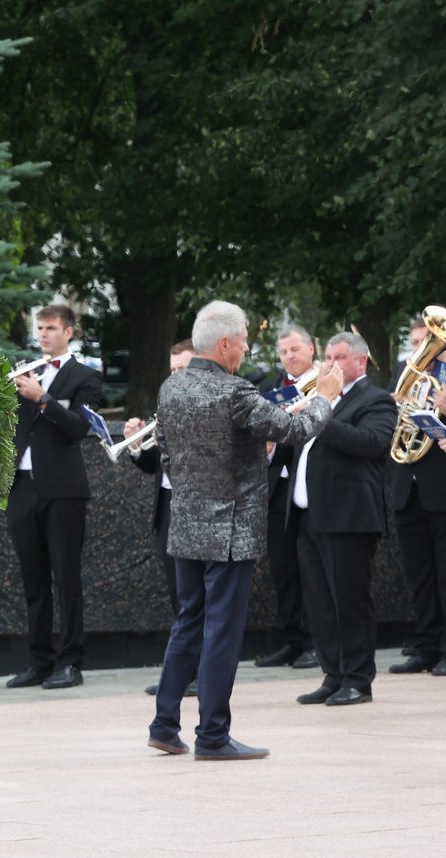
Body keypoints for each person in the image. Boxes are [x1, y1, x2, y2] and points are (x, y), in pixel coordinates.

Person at [148, 300, 336, 760]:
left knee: (188, 622)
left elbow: (167, 452)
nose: (248, 347)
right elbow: (296, 428)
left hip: (186, 523)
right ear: (225, 342)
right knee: (222, 630)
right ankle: (212, 735)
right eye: (246, 338)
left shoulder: (170, 388)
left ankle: (165, 723)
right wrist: (327, 395)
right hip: (231, 530)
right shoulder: (235, 391)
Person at [292, 332, 399, 707]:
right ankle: (333, 673)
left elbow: (370, 444)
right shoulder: (317, 399)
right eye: (328, 358)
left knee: (350, 602)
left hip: (348, 516)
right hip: (309, 515)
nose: (330, 365)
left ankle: (357, 679)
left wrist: (320, 416)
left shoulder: (376, 400)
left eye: (339, 358)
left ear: (360, 362)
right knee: (319, 603)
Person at [3, 304, 104, 689]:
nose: (43, 335)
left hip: (63, 489)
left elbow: (80, 428)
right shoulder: (28, 370)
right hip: (23, 486)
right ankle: (39, 660)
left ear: (69, 332)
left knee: (66, 577)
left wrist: (42, 398)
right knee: (33, 579)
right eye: (39, 328)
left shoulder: (85, 376)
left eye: (50, 328)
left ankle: (71, 661)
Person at [126, 340, 197, 699]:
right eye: (172, 370)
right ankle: (181, 672)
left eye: (182, 369)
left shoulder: (200, 406)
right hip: (167, 506)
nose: (175, 376)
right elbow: (154, 466)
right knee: (177, 593)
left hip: (193, 507)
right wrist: (138, 446)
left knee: (195, 596)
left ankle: (198, 672)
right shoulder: (167, 403)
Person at [253, 323, 322, 669]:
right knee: (283, 569)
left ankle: (314, 641)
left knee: (310, 570)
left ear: (312, 349)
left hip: (310, 490)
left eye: (295, 349)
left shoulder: (324, 384)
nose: (289, 356)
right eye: (283, 352)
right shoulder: (270, 388)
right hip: (278, 488)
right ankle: (290, 639)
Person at [387, 315, 446, 677]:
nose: (421, 349)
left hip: (440, 486)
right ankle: (425, 645)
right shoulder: (409, 375)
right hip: (407, 485)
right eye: (416, 341)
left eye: (429, 341)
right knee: (418, 574)